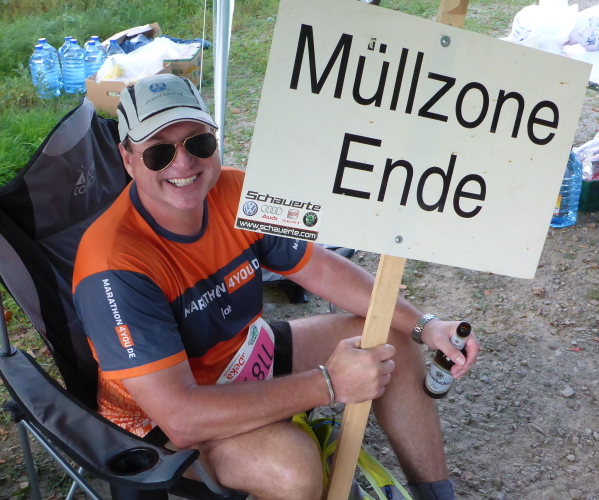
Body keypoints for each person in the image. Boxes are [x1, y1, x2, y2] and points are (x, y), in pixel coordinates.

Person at [72, 74, 480, 500]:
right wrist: (328, 384)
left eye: (198, 143)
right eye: (159, 151)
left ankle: (436, 495)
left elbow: (321, 269)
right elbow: (181, 417)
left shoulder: (236, 190)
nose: (184, 163)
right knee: (292, 466)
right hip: (161, 428)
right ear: (128, 159)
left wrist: (425, 324)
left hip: (245, 356)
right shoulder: (114, 265)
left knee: (392, 335)